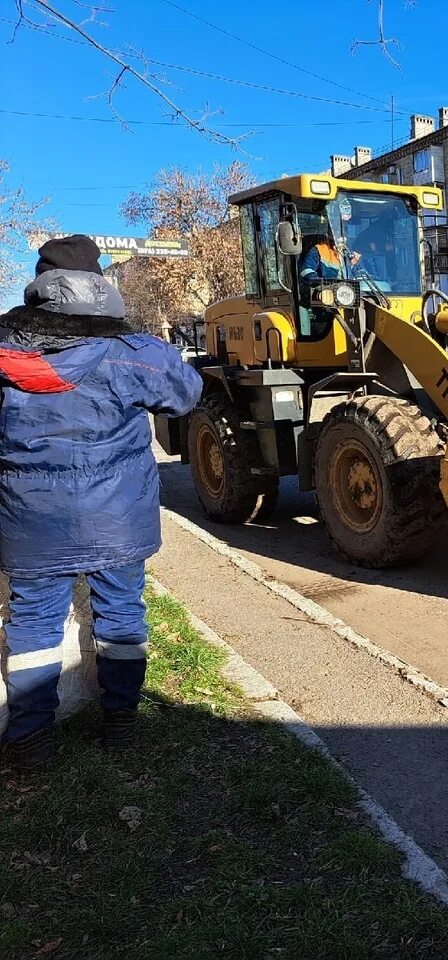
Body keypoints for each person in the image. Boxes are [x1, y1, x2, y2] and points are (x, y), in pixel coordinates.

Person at [0, 235, 203, 772]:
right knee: (120, 618)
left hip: (30, 520)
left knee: (33, 627)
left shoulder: (4, 352)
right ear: (100, 285)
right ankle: (122, 724)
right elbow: (186, 394)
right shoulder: (133, 353)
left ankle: (29, 740)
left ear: (39, 286)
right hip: (115, 519)